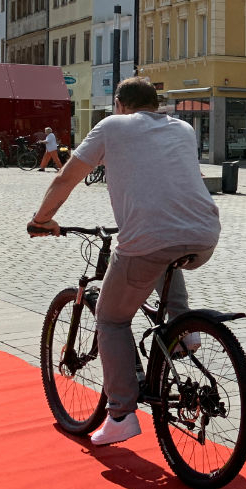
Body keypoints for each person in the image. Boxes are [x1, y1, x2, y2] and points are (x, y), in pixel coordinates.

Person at [27, 77, 221, 445]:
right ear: (155, 102)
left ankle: (120, 413)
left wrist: (42, 220)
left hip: (149, 239)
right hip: (204, 233)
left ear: (120, 104)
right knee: (165, 255)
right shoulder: (181, 128)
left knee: (111, 319)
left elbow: (66, 179)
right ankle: (184, 329)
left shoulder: (111, 126)